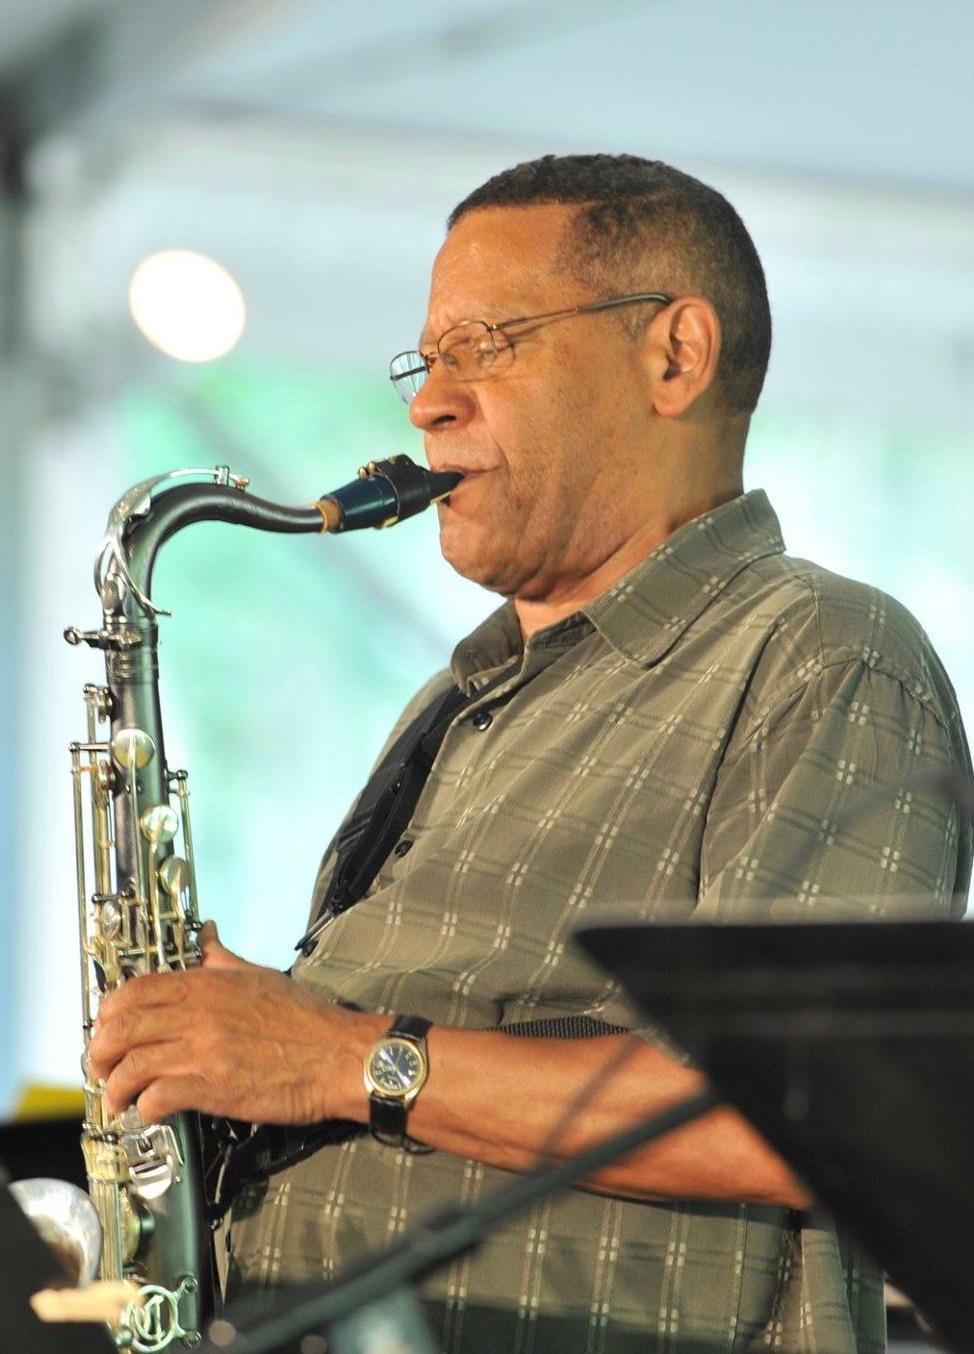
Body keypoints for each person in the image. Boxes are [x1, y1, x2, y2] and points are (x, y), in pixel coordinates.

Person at [88, 154, 972, 1353]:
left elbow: (820, 1123)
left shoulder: (822, 650)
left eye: (486, 342)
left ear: (674, 354)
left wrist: (342, 1057)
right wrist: (233, 1033)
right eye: (424, 358)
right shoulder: (449, 701)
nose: (426, 404)